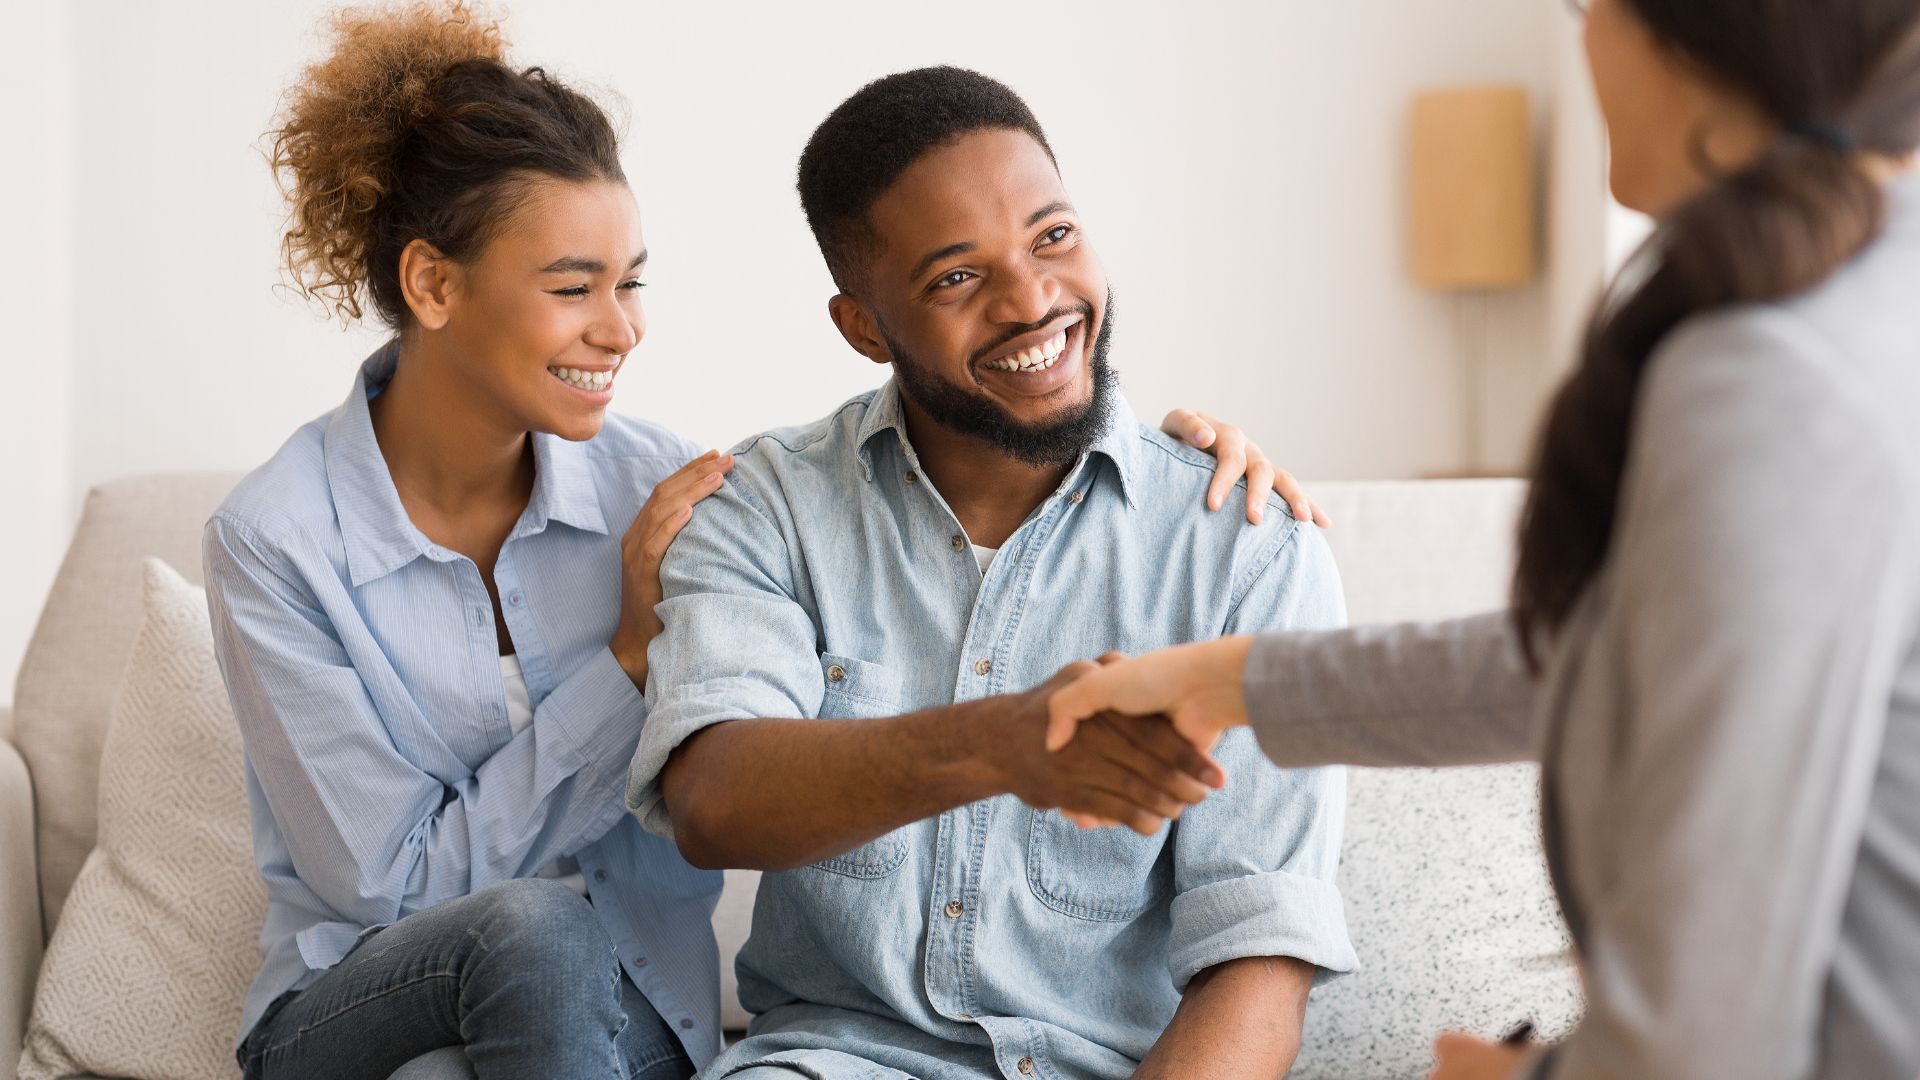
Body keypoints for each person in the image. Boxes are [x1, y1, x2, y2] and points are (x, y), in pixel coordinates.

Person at [207, 7, 1314, 1078]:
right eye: (574, 287)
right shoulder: (279, 542)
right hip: (368, 990)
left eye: (630, 283)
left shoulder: (672, 487)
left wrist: (1171, 469)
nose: (622, 328)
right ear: (433, 283)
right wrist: (624, 662)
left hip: (622, 1012)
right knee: (533, 935)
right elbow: (383, 885)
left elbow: (1262, 941)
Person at [1045, 1, 1920, 1077]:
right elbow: (1628, 664)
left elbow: (1704, 1031)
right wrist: (1223, 681)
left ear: (1700, 38)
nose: (1583, 39)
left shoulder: (1778, 378)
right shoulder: (1871, 304)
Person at [626, 67, 1356, 1080]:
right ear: (864, 327)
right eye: (957, 278)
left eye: (1052, 237)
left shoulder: (1248, 549)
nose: (1033, 301)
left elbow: (1258, 962)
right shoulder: (766, 508)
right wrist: (999, 744)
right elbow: (716, 801)